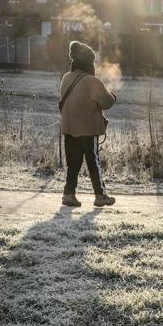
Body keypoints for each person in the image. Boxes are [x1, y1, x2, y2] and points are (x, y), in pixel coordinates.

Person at [59, 41, 116, 207]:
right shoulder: (93, 81)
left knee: (73, 164)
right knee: (93, 162)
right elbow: (107, 103)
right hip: (87, 130)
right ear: (88, 62)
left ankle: (68, 195)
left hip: (69, 128)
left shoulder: (66, 78)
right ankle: (100, 196)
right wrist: (112, 95)